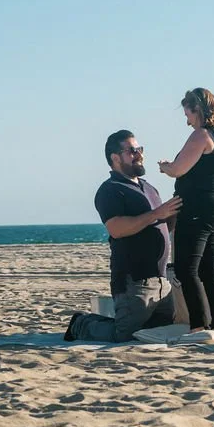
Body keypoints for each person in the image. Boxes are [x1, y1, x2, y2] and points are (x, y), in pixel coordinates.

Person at [64, 130, 182, 342]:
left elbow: (161, 225)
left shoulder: (150, 188)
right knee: (124, 336)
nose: (139, 155)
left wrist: (173, 214)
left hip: (162, 281)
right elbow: (116, 229)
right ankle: (81, 323)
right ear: (115, 158)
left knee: (158, 335)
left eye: (140, 149)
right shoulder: (110, 190)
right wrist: (156, 213)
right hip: (134, 281)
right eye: (132, 151)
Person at [157, 88, 214, 333]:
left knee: (186, 269)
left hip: (199, 208)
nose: (186, 120)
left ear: (197, 110)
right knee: (209, 269)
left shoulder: (201, 135)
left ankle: (199, 325)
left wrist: (165, 167)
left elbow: (179, 169)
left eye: (187, 113)